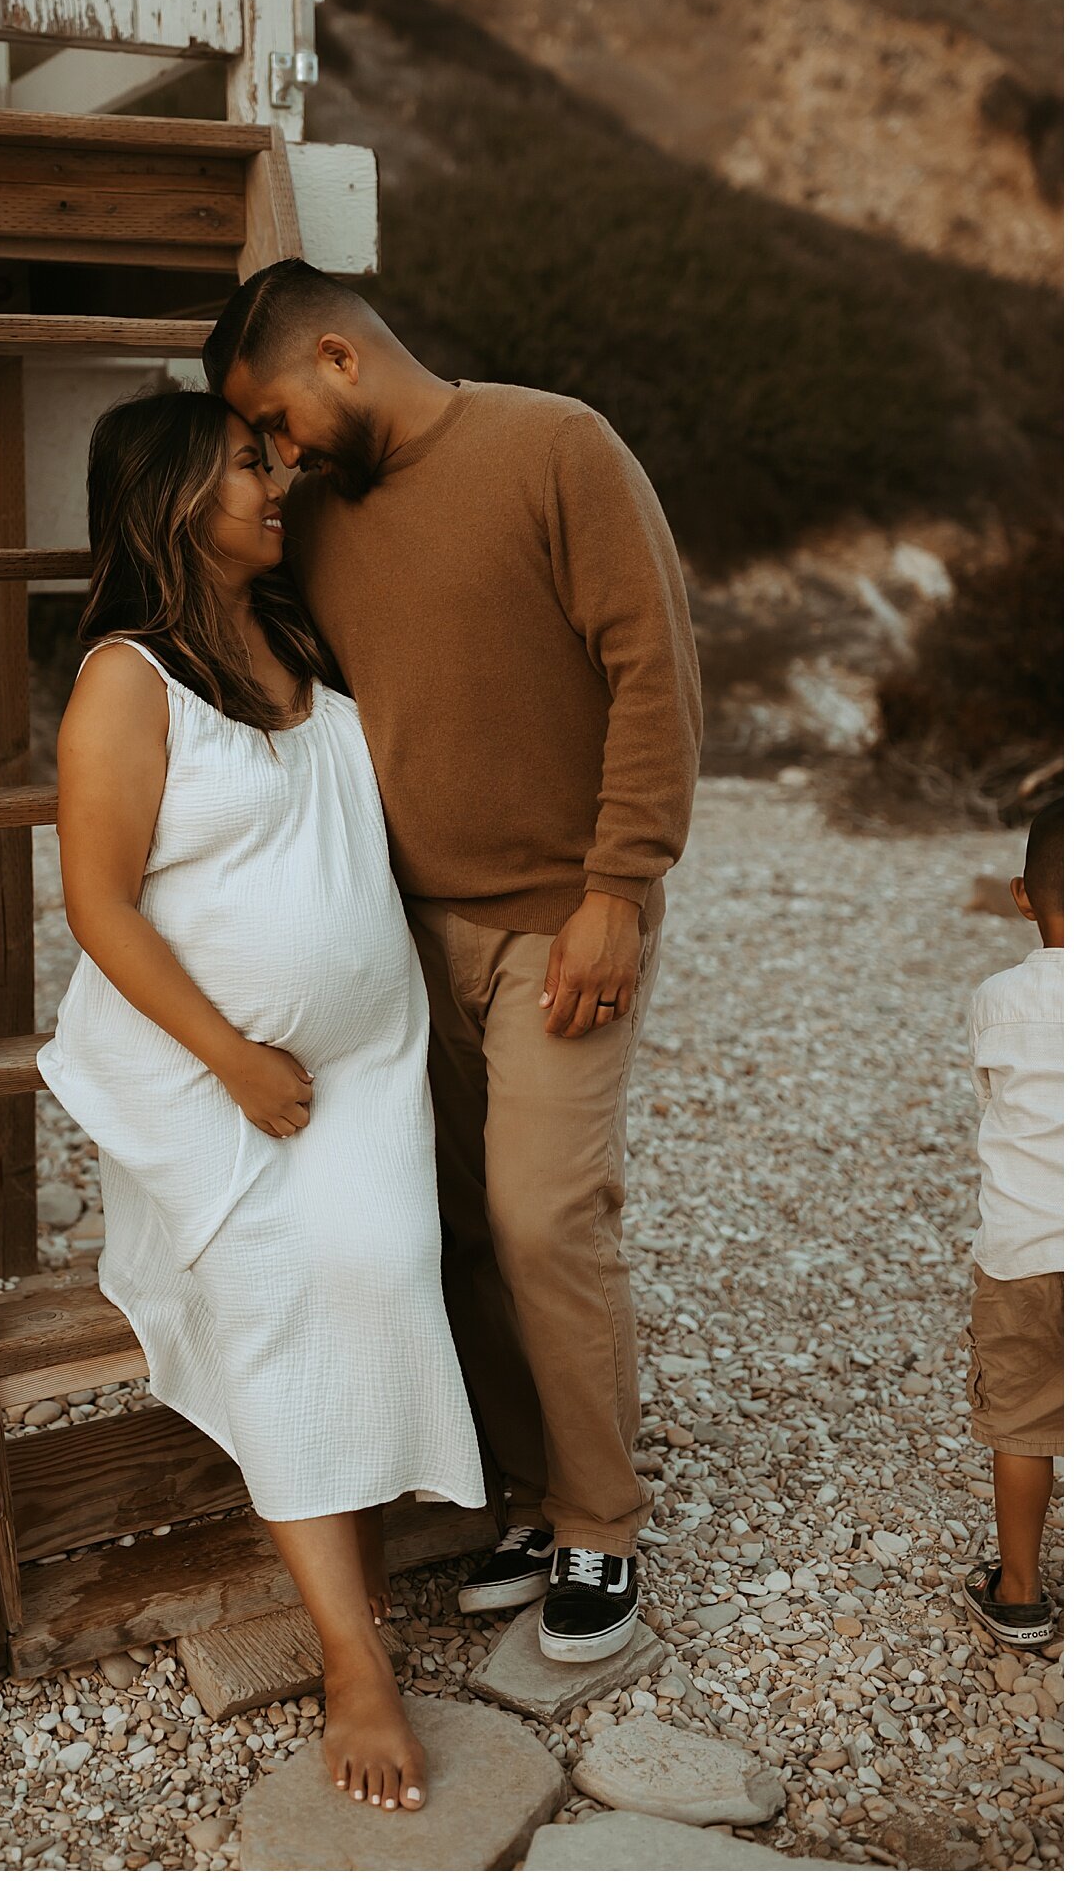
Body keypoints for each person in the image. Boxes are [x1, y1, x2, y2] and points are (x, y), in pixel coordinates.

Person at [205, 258, 702, 1663]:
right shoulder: (318, 525)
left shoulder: (558, 445)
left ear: (337, 356)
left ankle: (603, 1523)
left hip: (563, 921)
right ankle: (536, 1496)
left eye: (281, 417)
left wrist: (623, 886)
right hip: (402, 933)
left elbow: (654, 671)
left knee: (548, 1216)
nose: (281, 454)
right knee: (461, 1224)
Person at [37, 388, 486, 1815]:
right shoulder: (128, 677)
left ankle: (363, 1533)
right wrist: (234, 1058)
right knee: (290, 1301)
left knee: (391, 1271)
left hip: (363, 1065)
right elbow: (99, 905)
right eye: (248, 465)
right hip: (208, 1075)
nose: (277, 479)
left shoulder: (296, 634)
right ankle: (360, 1664)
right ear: (175, 496)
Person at [960, 798, 1063, 1651]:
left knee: (1026, 1423)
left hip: (1024, 1254)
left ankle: (1022, 1591)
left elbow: (992, 1102)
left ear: (1023, 897)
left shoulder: (998, 1000)